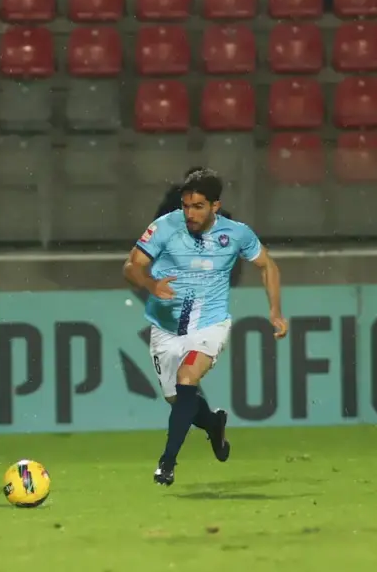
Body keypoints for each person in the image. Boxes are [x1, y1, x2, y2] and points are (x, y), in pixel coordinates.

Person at [122, 169, 288, 486]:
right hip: (165, 328)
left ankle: (167, 463)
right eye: (186, 206)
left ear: (215, 205)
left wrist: (276, 311)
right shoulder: (164, 227)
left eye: (198, 206)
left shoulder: (236, 234)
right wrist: (150, 284)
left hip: (209, 324)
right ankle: (213, 424)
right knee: (178, 400)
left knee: (187, 381)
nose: (190, 214)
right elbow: (131, 266)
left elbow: (267, 265)